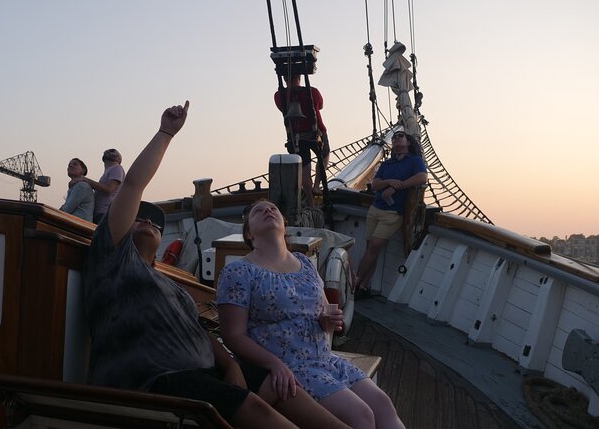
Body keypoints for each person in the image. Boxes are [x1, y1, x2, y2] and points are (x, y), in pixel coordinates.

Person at [82, 101, 350, 429]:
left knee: (283, 385)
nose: (148, 221)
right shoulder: (112, 260)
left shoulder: (169, 284)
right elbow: (134, 184)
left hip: (205, 372)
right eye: (139, 217)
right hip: (156, 382)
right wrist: (166, 133)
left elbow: (199, 332)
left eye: (155, 223)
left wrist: (231, 367)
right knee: (261, 409)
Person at [217, 199, 405, 429]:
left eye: (273, 208)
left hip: (325, 359)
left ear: (284, 225)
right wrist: (274, 365)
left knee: (383, 405)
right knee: (362, 416)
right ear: (249, 232)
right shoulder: (238, 271)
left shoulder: (305, 264)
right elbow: (233, 336)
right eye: (258, 211)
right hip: (288, 368)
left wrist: (328, 321)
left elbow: (324, 312)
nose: (268, 210)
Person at [354, 131, 428, 300]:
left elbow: (422, 177)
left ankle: (353, 283)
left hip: (392, 213)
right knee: (371, 249)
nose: (395, 138)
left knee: (372, 248)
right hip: (375, 209)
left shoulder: (415, 162)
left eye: (400, 136)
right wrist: (388, 182)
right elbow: (375, 185)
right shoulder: (387, 164)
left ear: (408, 142)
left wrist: (397, 187)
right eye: (394, 137)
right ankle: (363, 287)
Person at [274, 74, 330, 206]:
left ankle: (310, 201)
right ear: (300, 77)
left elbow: (282, 109)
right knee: (325, 154)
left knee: (304, 167)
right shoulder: (313, 92)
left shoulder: (279, 95)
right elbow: (320, 106)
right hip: (316, 133)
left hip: (295, 137)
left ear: (284, 79)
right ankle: (316, 186)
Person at [75, 148, 125, 224]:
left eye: (112, 151)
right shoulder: (110, 170)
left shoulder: (117, 168)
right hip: (98, 213)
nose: (108, 152)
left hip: (104, 213)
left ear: (118, 158)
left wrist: (85, 180)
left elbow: (109, 189)